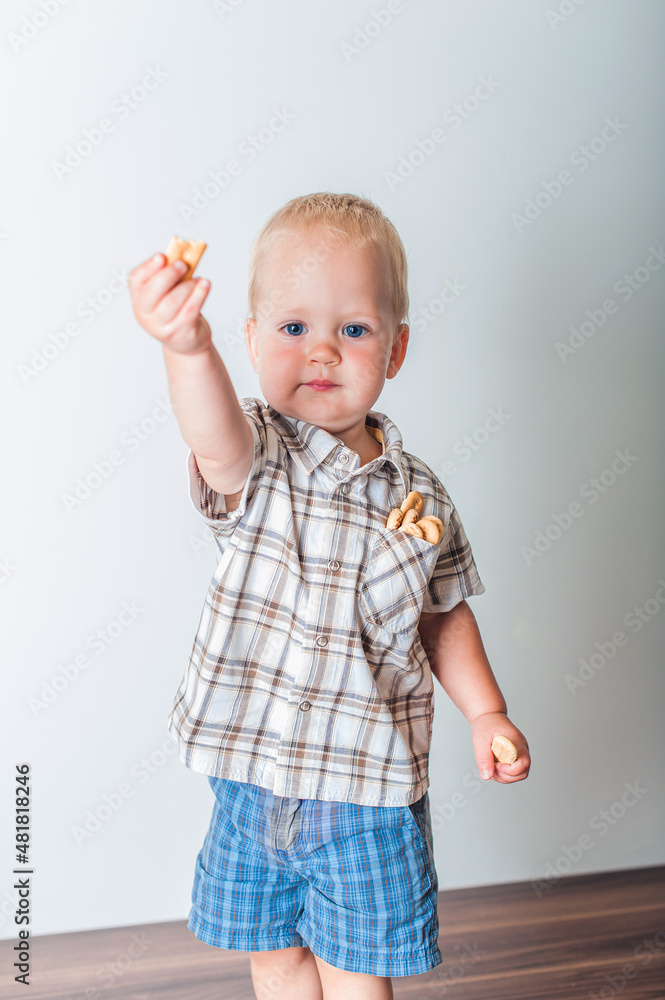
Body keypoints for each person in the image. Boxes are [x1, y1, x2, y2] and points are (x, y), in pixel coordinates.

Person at [129, 192, 530, 1000]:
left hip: (365, 789)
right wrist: (186, 347)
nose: (321, 351)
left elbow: (443, 613)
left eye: (352, 330)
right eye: (292, 328)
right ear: (250, 341)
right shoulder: (258, 455)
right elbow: (210, 435)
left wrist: (486, 712)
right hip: (250, 780)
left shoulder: (422, 494)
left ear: (396, 348)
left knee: (355, 967)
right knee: (274, 957)